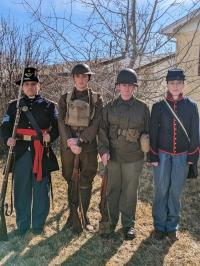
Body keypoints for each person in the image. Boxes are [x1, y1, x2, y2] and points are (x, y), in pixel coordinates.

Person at [0, 67, 59, 236]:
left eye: (33, 84)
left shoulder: (49, 105)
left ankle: (38, 225)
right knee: (21, 189)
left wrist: (51, 136)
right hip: (20, 152)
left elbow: (57, 126)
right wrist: (7, 140)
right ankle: (22, 224)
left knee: (41, 189)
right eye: (26, 84)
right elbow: (5, 127)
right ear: (22, 87)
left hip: (40, 151)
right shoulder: (14, 105)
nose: (30, 87)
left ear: (38, 85)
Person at [98, 68, 150, 240]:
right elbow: (102, 130)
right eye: (123, 85)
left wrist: (147, 149)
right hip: (113, 156)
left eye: (130, 85)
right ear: (118, 86)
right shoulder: (109, 108)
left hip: (134, 157)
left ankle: (128, 225)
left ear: (134, 87)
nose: (127, 88)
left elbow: (148, 131)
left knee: (129, 191)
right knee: (113, 190)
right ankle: (111, 223)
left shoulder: (142, 108)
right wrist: (103, 151)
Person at [149, 68, 199, 241]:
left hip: (183, 156)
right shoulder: (158, 106)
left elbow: (195, 133)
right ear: (167, 84)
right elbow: (153, 133)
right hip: (162, 154)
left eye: (178, 83)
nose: (175, 86)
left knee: (175, 191)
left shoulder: (191, 106)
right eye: (172, 83)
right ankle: (159, 226)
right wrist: (153, 155)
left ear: (183, 84)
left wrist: (192, 157)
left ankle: (172, 226)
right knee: (161, 190)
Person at [58, 63, 103, 232]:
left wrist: (81, 141)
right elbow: (61, 121)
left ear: (89, 78)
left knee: (86, 180)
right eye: (78, 76)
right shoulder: (64, 98)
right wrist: (70, 140)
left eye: (85, 76)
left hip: (88, 146)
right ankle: (72, 216)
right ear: (73, 78)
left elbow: (97, 121)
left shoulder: (97, 99)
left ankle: (84, 216)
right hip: (69, 147)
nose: (81, 79)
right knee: (71, 179)